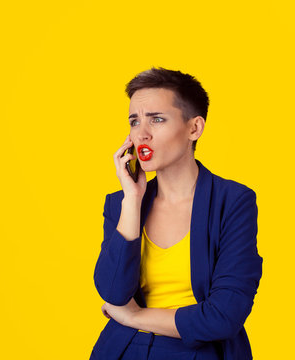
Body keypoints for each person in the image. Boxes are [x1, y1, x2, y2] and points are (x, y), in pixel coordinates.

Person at [89, 67, 263, 360]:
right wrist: (132, 200)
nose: (141, 134)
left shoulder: (233, 202)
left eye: (156, 119)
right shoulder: (121, 204)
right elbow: (114, 293)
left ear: (194, 128)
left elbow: (223, 317)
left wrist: (133, 317)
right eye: (134, 121)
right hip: (123, 350)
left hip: (199, 352)